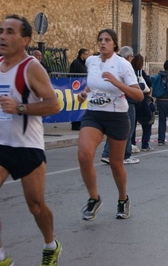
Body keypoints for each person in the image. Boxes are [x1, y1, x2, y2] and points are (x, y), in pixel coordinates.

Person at [0, 14, 62, 265]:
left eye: (10, 32)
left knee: (35, 206)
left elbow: (54, 105)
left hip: (27, 147)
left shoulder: (31, 68)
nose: (3, 36)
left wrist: (20, 108)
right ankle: (2, 257)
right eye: (2, 30)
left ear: (25, 39)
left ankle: (50, 245)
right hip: (2, 145)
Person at [77, 29, 144, 221]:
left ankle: (123, 199)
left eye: (107, 40)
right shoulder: (91, 61)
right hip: (94, 115)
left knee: (115, 164)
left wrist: (117, 83)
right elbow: (93, 84)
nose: (103, 43)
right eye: (100, 40)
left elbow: (138, 95)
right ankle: (94, 198)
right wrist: (85, 92)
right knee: (84, 155)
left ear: (114, 44)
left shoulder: (122, 65)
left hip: (117, 117)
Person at [100, 46, 139, 164]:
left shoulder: (113, 65)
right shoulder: (125, 66)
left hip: (114, 102)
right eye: (132, 56)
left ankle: (107, 154)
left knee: (115, 130)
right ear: (128, 57)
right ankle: (125, 155)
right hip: (125, 102)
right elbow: (131, 86)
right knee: (127, 129)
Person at [132, 54, 155, 151]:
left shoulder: (130, 71)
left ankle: (132, 145)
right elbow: (149, 83)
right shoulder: (141, 72)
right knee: (147, 122)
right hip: (144, 98)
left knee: (133, 124)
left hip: (133, 99)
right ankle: (145, 145)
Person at [69, 48, 89, 131]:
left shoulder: (84, 64)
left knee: (81, 106)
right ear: (82, 54)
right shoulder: (76, 63)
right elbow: (72, 74)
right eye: (86, 54)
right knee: (76, 105)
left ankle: (80, 122)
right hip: (76, 87)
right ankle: (75, 123)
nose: (87, 56)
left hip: (82, 87)